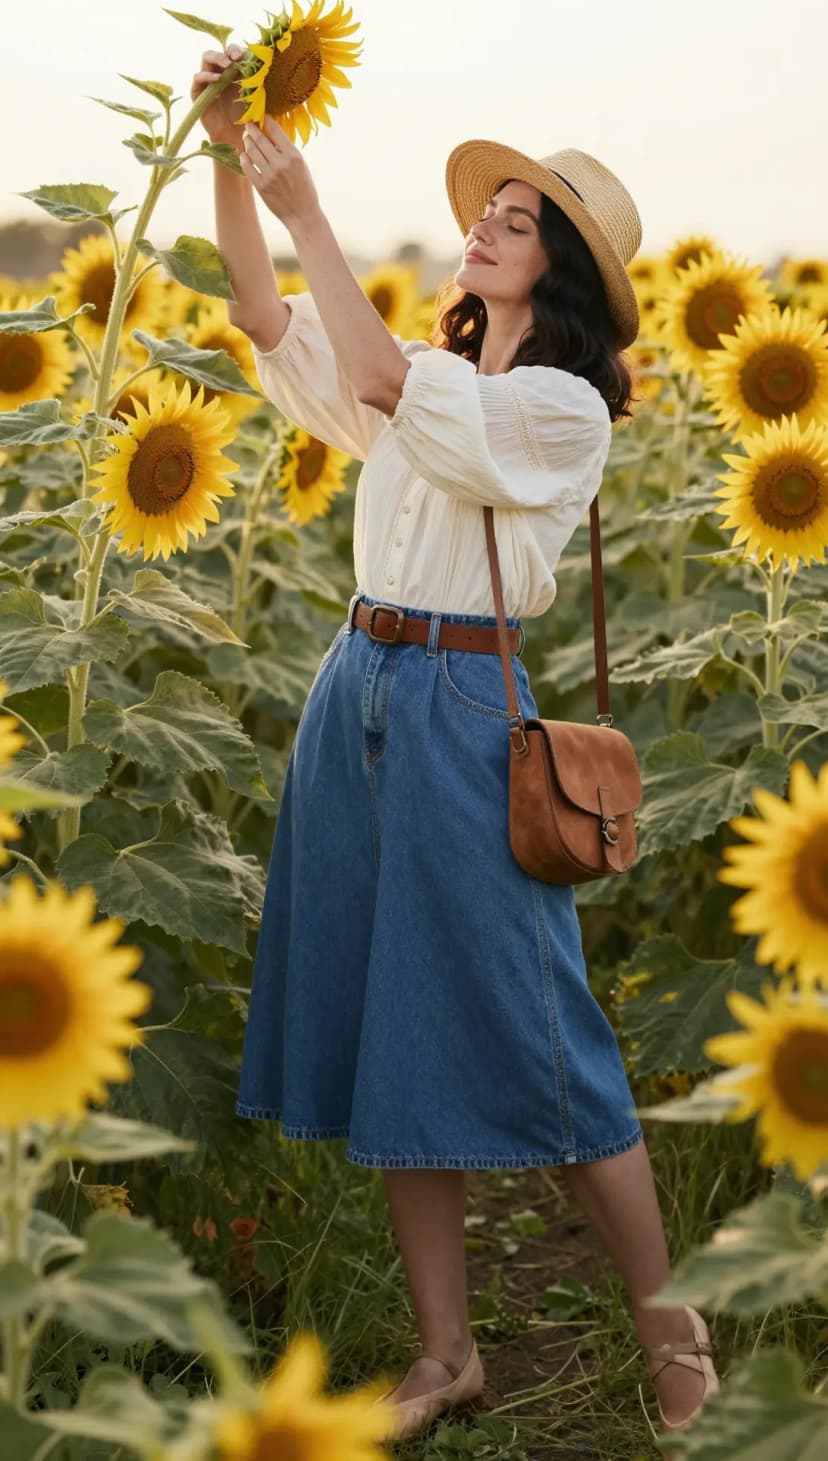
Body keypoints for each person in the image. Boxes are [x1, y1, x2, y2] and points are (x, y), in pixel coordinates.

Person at [191, 45, 721, 1447]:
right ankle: (448, 1351)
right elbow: (261, 313)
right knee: (392, 1029)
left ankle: (675, 1335)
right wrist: (223, 151)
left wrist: (312, 208)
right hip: (355, 688)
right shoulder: (426, 373)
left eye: (521, 216)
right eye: (489, 207)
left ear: (561, 279)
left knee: (548, 1025)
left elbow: (370, 372)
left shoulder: (558, 413)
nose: (487, 218)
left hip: (465, 708)